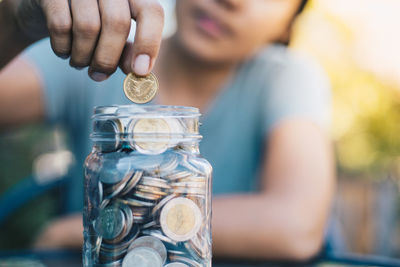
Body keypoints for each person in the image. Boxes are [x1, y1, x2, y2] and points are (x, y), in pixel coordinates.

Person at [0, 0, 334, 261]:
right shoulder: (96, 50)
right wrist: (18, 19)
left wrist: (82, 229)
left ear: (286, 26)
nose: (230, 1)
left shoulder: (287, 78)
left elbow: (297, 226)